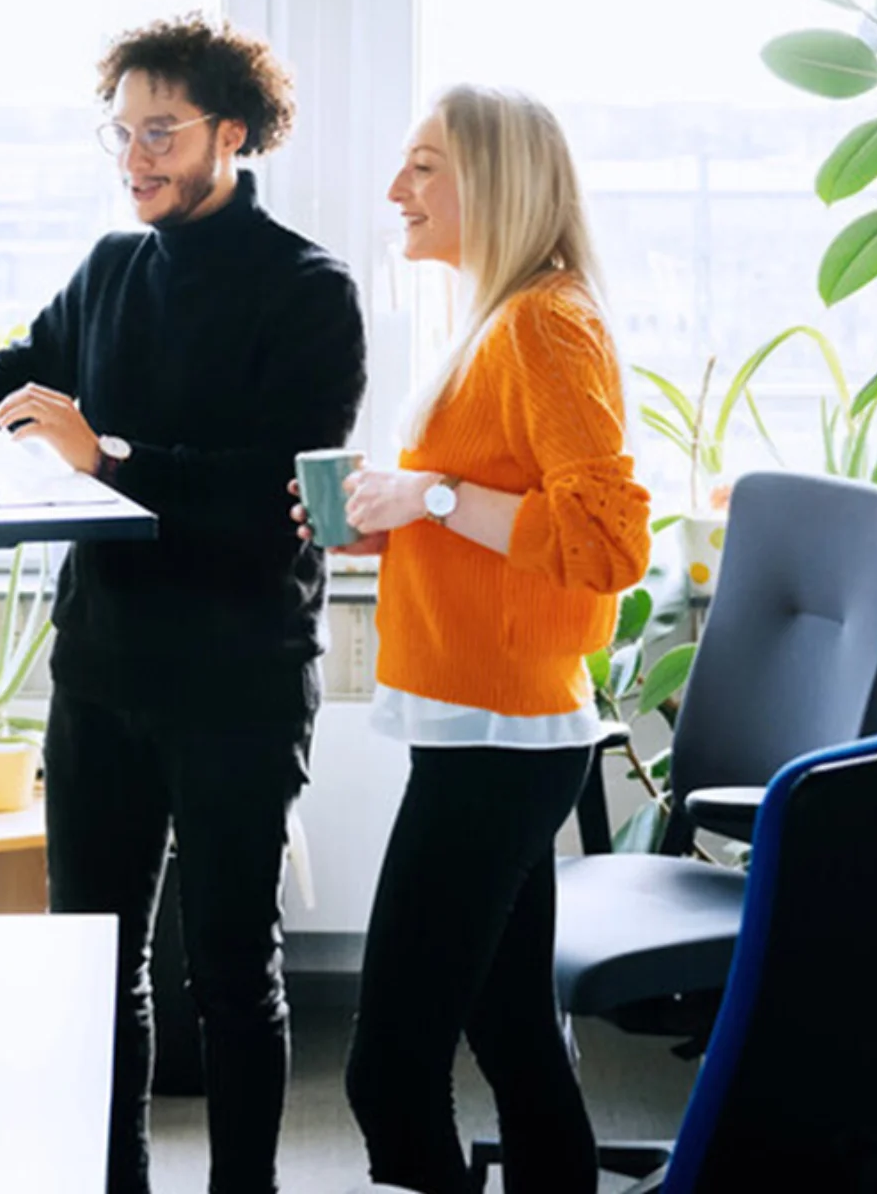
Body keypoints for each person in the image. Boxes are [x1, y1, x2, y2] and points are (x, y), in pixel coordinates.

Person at [0, 15, 367, 1194]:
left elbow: (276, 494)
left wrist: (112, 459)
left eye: (163, 132)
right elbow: (20, 374)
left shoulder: (309, 291)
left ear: (234, 134)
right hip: (106, 664)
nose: (137, 156)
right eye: (122, 132)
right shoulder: (111, 266)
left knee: (233, 966)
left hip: (236, 669)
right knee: (95, 960)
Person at [305, 85, 650, 1194]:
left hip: (505, 735)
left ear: (493, 181)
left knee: (386, 1072)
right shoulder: (496, 322)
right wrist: (398, 522)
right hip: (487, 722)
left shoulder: (546, 324)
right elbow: (500, 517)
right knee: (509, 1034)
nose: (394, 191)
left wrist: (436, 498)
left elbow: (604, 544)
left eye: (422, 167)